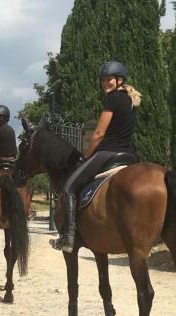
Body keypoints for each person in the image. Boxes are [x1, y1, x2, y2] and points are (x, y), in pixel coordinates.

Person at [52, 60, 141, 252]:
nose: (105, 83)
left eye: (109, 79)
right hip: (128, 155)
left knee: (68, 187)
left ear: (119, 80)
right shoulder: (130, 100)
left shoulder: (113, 99)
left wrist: (86, 156)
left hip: (107, 153)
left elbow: (99, 133)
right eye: (103, 80)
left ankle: (67, 238)